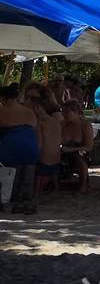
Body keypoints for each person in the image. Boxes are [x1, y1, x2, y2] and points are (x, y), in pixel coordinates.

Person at [0, 83, 39, 214]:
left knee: (9, 178)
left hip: (11, 148)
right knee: (27, 177)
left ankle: (10, 201)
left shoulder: (2, 110)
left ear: (5, 98)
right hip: (31, 148)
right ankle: (25, 201)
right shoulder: (29, 111)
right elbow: (33, 129)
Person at [31, 87, 63, 196]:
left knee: (39, 174)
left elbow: (39, 143)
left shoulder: (40, 123)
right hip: (56, 157)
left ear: (37, 108)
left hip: (44, 157)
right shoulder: (56, 121)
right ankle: (56, 188)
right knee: (53, 172)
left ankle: (36, 192)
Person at [60, 101, 94, 194]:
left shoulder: (85, 126)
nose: (64, 114)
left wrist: (72, 149)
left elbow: (89, 146)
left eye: (67, 112)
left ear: (76, 112)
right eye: (63, 112)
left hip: (80, 151)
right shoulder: (63, 124)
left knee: (80, 157)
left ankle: (83, 185)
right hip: (64, 150)